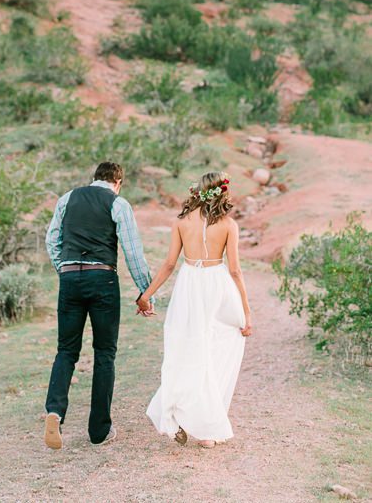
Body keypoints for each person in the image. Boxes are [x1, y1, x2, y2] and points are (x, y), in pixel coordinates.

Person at [44, 160, 153, 449]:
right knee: (104, 353)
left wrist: (64, 268)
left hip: (70, 279)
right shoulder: (118, 203)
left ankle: (54, 411)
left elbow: (52, 239)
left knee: (66, 350)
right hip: (102, 279)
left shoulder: (67, 198)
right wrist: (146, 293)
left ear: (93, 178)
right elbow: (133, 252)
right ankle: (99, 430)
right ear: (118, 182)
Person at [138, 171, 252, 448]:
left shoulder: (181, 222)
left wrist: (145, 295)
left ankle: (184, 414)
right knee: (219, 348)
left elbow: (168, 265)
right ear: (221, 193)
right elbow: (235, 270)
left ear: (197, 191)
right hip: (217, 285)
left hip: (189, 285)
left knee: (186, 348)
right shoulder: (228, 225)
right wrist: (247, 313)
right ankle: (209, 430)